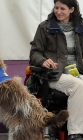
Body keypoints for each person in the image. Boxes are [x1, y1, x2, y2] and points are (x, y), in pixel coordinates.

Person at [29, 0, 83, 140]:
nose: (58, 11)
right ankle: (75, 133)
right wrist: (43, 61)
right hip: (54, 75)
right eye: (56, 8)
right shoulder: (44, 27)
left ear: (72, 10)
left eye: (62, 9)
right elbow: (34, 53)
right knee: (78, 86)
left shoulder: (80, 28)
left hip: (78, 73)